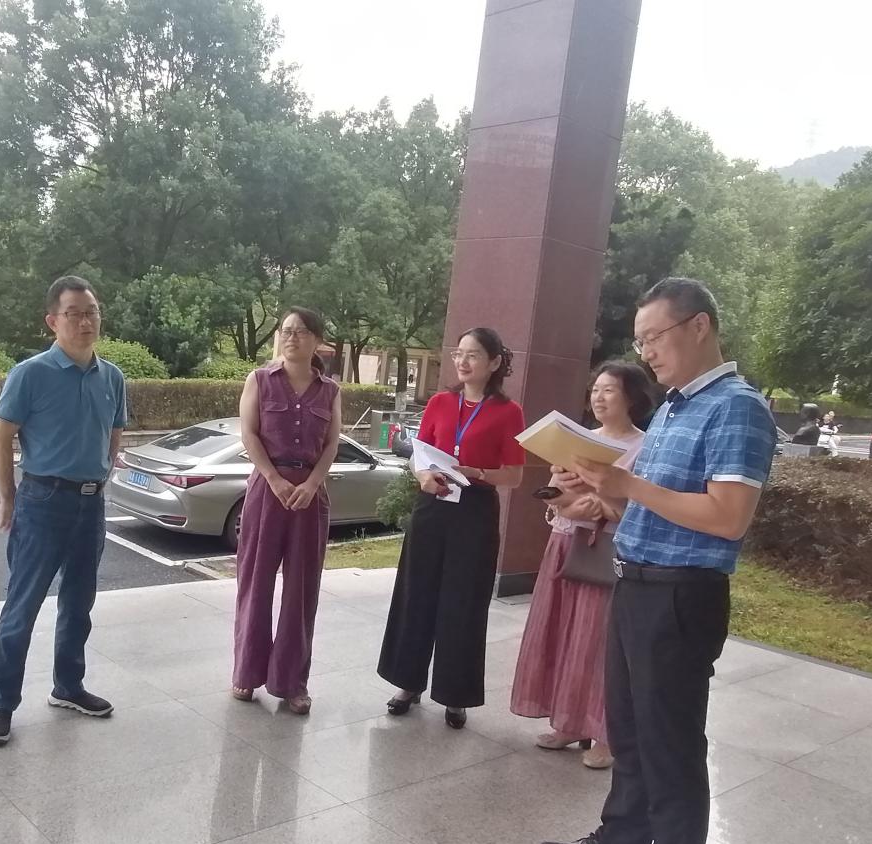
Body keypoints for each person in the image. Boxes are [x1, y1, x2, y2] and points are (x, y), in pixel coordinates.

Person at [537, 278, 777, 844]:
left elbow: (727, 517)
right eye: (639, 341)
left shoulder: (736, 408)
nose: (645, 352)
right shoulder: (675, 407)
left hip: (680, 595)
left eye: (654, 337)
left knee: (671, 752)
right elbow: (656, 507)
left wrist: (628, 484)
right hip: (636, 582)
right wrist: (600, 494)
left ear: (698, 326)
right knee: (631, 733)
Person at [0, 276, 127, 745]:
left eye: (91, 312)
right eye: (74, 313)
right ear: (52, 321)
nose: (85, 321)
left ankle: (68, 686)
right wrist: (7, 496)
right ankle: (1, 703)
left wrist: (100, 474)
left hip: (91, 503)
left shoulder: (112, 377)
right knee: (22, 605)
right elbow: (0, 439)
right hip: (43, 501)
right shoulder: (30, 374)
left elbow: (114, 432)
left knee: (79, 603)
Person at [377, 327, 525, 729]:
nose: (463, 362)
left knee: (464, 603)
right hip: (433, 504)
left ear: (494, 363)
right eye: (459, 354)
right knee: (416, 594)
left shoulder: (508, 412)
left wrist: (477, 472)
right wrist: (423, 476)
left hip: (475, 511)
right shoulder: (440, 402)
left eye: (473, 355)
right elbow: (418, 454)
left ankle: (455, 694)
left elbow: (513, 476)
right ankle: (407, 683)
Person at [510, 362, 654, 770]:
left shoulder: (645, 448)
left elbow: (644, 508)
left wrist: (603, 505)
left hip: (607, 550)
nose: (599, 397)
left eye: (609, 390)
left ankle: (606, 733)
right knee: (561, 633)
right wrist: (561, 498)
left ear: (632, 397)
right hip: (565, 542)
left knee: (598, 642)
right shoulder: (580, 441)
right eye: (595, 389)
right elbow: (555, 496)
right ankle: (568, 722)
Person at [231, 307, 342, 714]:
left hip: (310, 497)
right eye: (286, 331)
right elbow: (249, 434)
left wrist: (312, 484)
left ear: (318, 341)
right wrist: (274, 480)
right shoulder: (259, 380)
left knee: (301, 590)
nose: (292, 337)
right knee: (255, 582)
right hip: (267, 490)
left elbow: (331, 443)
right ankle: (246, 674)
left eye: (301, 331)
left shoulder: (330, 391)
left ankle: (292, 682)